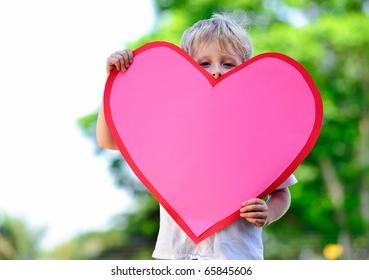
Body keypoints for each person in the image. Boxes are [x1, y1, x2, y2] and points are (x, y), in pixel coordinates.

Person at [96, 12, 297, 260]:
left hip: (237, 257)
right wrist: (113, 80)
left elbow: (282, 192)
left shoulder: (256, 132)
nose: (215, 71)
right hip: (177, 255)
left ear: (245, 71)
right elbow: (108, 141)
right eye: (204, 63)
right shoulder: (172, 124)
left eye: (227, 63)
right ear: (187, 69)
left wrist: (268, 212)